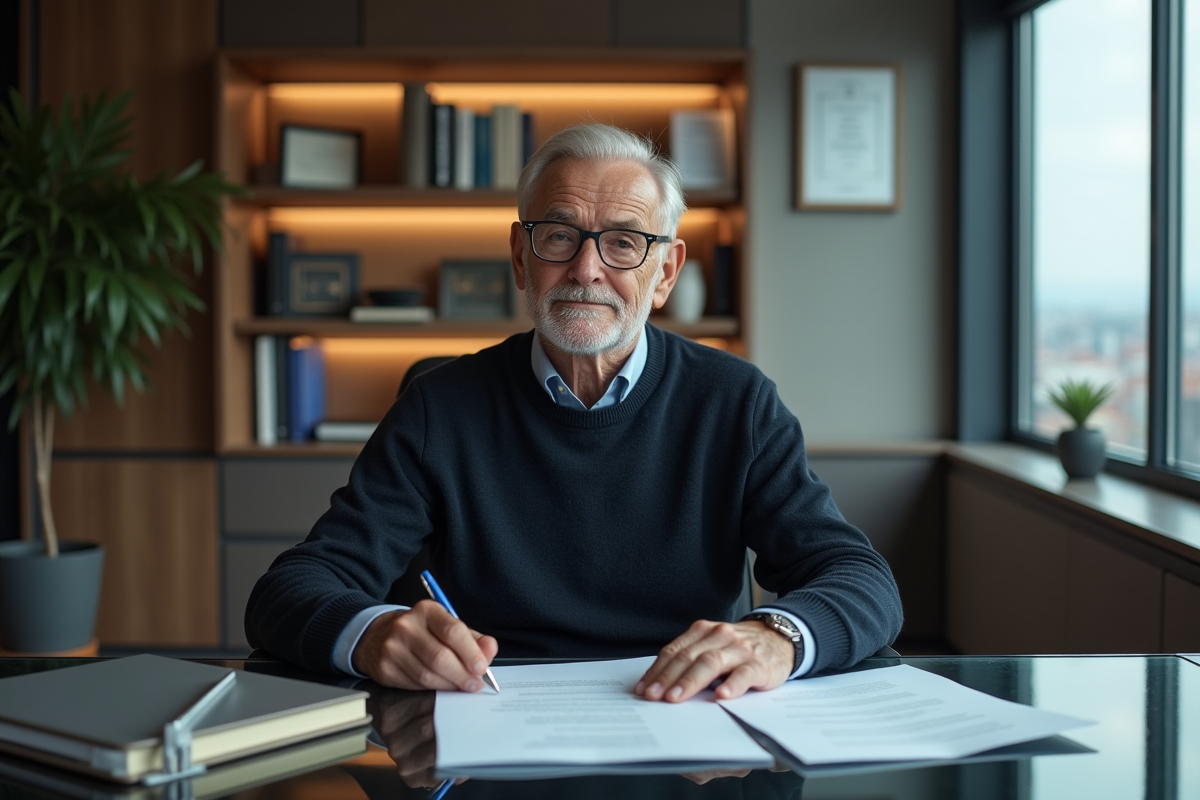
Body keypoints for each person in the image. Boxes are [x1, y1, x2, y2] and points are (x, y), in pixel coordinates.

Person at [245, 123, 902, 703]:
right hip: (490, 724)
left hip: (685, 727)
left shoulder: (736, 403)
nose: (586, 269)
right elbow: (291, 589)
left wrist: (779, 636)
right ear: (520, 256)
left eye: (624, 242)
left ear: (666, 272)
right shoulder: (437, 408)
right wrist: (371, 633)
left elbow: (859, 579)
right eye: (559, 236)